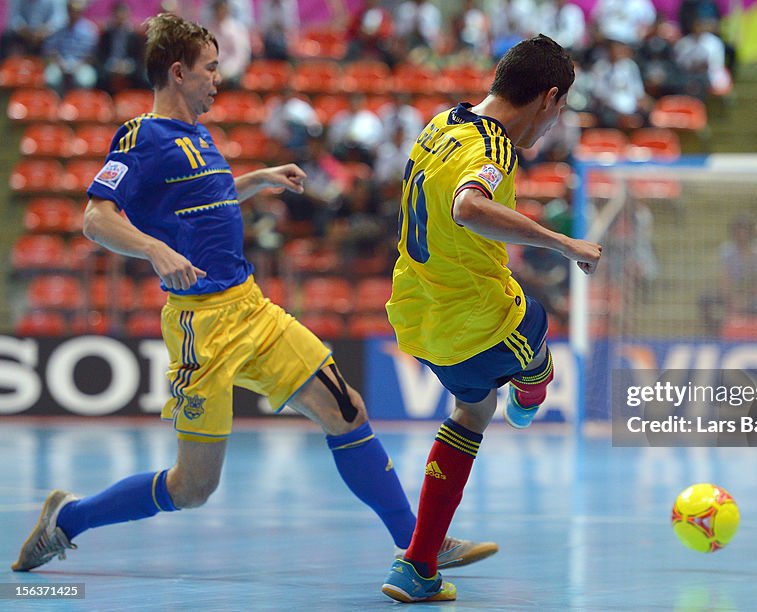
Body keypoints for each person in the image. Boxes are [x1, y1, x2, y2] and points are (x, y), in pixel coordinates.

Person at [11, 12, 496, 576]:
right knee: (192, 487)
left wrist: (255, 181)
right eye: (210, 69)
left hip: (252, 307)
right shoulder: (140, 137)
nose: (219, 79)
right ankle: (67, 521)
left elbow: (201, 206)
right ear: (177, 73)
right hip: (202, 324)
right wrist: (155, 251)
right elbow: (97, 218)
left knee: (346, 409)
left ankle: (418, 546)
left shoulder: (200, 134)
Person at [380, 34, 603, 603]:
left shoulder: (440, 124)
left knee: (473, 409)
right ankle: (533, 390)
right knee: (536, 323)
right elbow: (468, 205)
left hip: (416, 316)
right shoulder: (494, 147)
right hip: (478, 318)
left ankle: (418, 566)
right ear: (549, 98)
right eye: (560, 111)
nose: (553, 125)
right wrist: (563, 243)